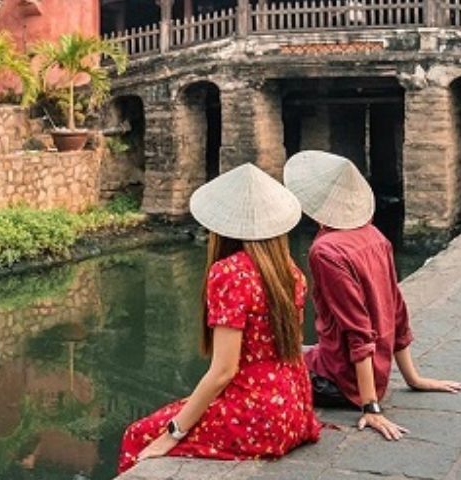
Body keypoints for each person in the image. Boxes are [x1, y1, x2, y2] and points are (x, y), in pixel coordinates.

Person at [118, 164, 321, 474]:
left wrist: (172, 434)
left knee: (138, 435)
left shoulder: (230, 273)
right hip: (295, 410)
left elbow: (224, 371)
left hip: (257, 417)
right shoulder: (290, 272)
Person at [284, 151, 461, 441]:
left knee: (258, 367)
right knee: (297, 349)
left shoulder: (325, 251)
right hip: (367, 371)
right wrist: (413, 378)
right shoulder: (376, 236)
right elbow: (396, 310)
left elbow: (357, 329)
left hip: (340, 382)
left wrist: (370, 407)